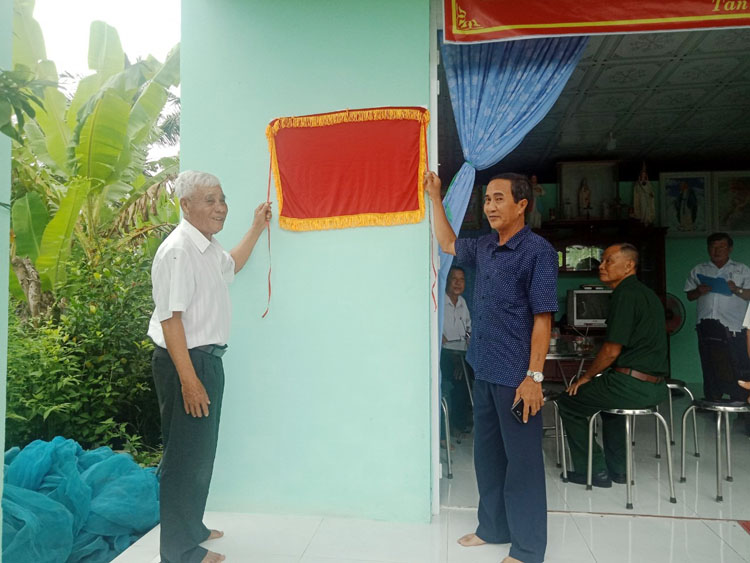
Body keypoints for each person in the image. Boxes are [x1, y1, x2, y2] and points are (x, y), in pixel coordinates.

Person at [424, 171, 557, 563]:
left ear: (521, 205)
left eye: (499, 199)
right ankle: (493, 528)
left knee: (523, 464)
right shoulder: (484, 246)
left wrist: (534, 377)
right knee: (488, 457)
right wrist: (435, 197)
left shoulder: (538, 251)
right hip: (482, 368)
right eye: (487, 200)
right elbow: (447, 242)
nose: (490, 207)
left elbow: (543, 320)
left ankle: (528, 548)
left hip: (516, 376)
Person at [147, 170, 271, 563]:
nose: (220, 207)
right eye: (210, 200)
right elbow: (170, 320)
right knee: (184, 457)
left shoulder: (207, 247)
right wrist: (190, 381)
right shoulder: (179, 250)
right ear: (186, 205)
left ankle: (192, 528)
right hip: (185, 363)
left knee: (200, 453)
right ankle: (178, 551)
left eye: (222, 199)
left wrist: (256, 227)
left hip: (206, 360)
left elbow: (232, 264)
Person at [556, 244, 669, 487]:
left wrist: (585, 378)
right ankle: (619, 470)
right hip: (656, 387)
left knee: (568, 401)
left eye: (609, 260)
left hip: (630, 385)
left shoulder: (624, 294)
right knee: (608, 406)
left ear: (629, 266)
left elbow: (611, 350)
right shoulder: (646, 293)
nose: (602, 266)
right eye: (602, 261)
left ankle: (594, 470)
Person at [684, 232, 750, 402]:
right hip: (707, 328)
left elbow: (749, 294)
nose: (717, 250)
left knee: (738, 367)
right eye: (713, 247)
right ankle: (713, 402)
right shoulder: (699, 270)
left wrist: (736, 289)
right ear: (708, 249)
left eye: (721, 246)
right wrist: (699, 291)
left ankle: (740, 403)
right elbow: (689, 296)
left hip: (734, 329)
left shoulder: (742, 269)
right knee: (710, 366)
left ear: (730, 249)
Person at [441, 266, 473, 441]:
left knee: (474, 375)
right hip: (444, 355)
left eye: (461, 279)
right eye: (454, 279)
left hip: (461, 355)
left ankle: (463, 423)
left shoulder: (462, 303)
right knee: (458, 381)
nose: (458, 283)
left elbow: (468, 329)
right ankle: (451, 428)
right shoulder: (440, 302)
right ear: (447, 280)